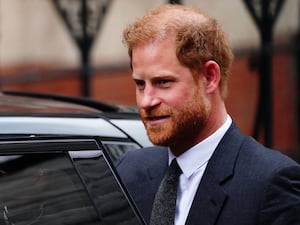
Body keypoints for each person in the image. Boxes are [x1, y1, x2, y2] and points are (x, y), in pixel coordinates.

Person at [116, 4, 300, 225]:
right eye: (140, 84)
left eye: (163, 82)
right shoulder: (128, 171)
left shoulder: (270, 182)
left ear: (210, 77)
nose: (146, 101)